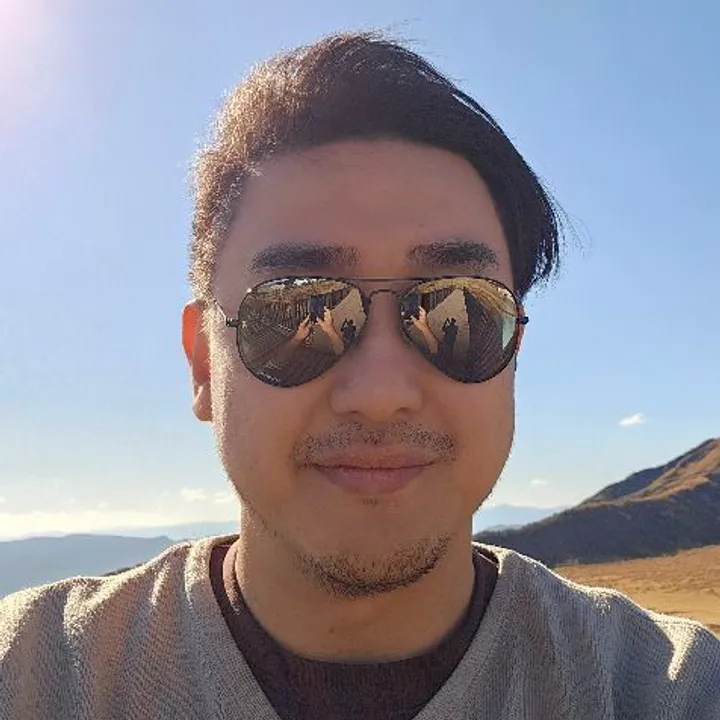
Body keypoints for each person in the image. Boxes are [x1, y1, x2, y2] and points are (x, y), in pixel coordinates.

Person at [1, 31, 718, 720]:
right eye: (295, 311)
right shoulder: (32, 675)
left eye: (460, 310)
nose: (380, 394)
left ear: (512, 350)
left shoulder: (666, 690)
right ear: (203, 364)